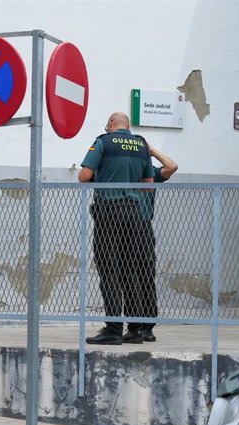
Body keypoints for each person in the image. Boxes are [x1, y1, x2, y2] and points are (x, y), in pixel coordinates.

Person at [79, 112, 157, 345]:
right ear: (128, 125)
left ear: (111, 124)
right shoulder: (141, 145)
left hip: (108, 210)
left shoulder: (104, 141)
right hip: (134, 212)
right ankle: (134, 329)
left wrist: (103, 178)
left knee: (108, 269)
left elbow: (84, 176)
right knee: (130, 270)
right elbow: (149, 186)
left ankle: (113, 329)